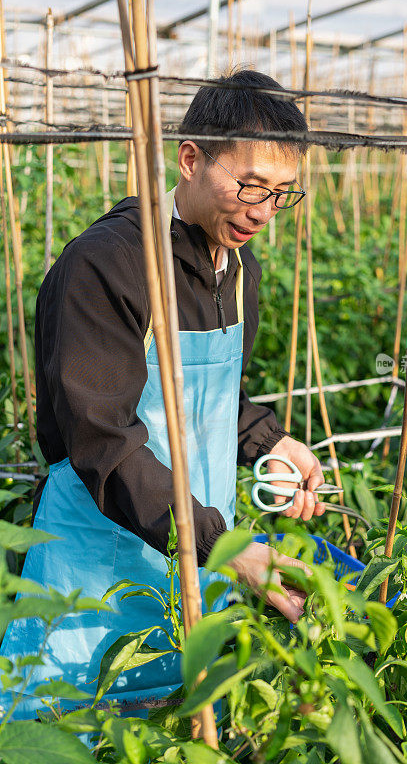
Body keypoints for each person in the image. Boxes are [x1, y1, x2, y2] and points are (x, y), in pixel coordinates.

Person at [0, 69, 327, 715]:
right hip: (97, 558)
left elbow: (205, 400)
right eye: (249, 185)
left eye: (280, 194)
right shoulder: (110, 264)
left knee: (183, 719)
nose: (261, 211)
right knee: (73, 724)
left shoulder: (236, 266)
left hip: (196, 551)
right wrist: (227, 548)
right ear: (189, 159)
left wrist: (271, 441)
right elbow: (105, 442)